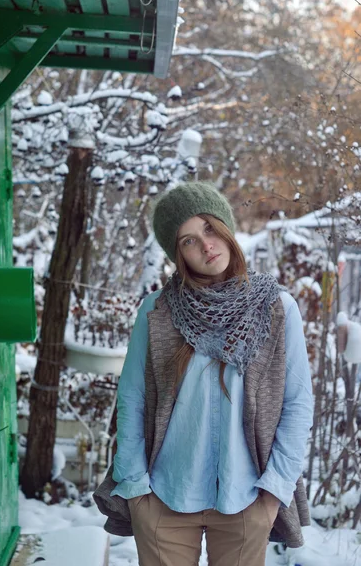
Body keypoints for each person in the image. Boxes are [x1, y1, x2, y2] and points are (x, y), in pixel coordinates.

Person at [94, 182, 314, 566]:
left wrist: (274, 492)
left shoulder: (277, 308)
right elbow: (132, 398)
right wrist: (135, 488)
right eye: (189, 241)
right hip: (164, 496)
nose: (206, 246)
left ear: (226, 227)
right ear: (177, 254)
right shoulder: (156, 311)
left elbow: (297, 403)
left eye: (210, 229)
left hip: (247, 498)